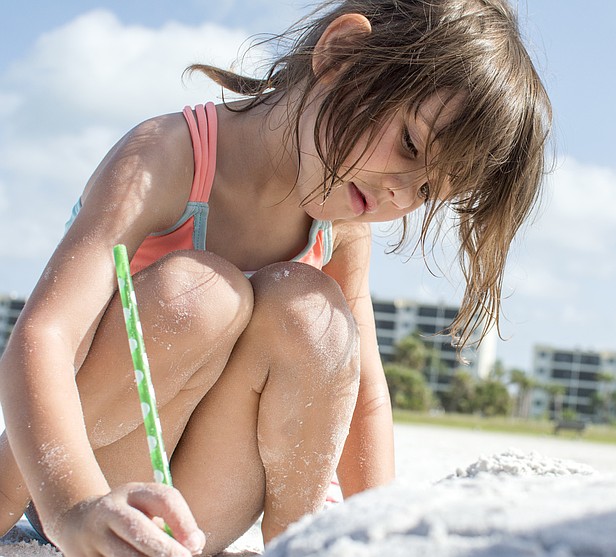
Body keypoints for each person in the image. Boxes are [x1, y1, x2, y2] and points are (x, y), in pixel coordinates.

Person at [0, 0, 551, 554]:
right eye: (409, 143)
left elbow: (363, 392)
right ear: (343, 54)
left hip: (198, 516)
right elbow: (45, 337)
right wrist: (72, 506)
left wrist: (378, 531)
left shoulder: (339, 220)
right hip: (92, 490)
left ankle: (301, 542)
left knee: (316, 311)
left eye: (429, 191)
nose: (400, 194)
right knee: (202, 294)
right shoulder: (167, 157)